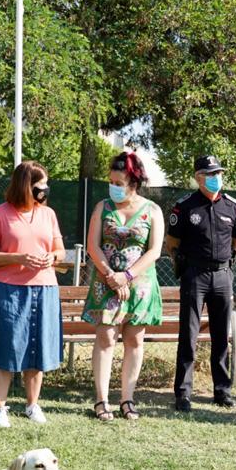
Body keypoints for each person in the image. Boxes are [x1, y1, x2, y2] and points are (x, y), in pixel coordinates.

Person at [0, 161, 66, 428]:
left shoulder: (48, 214)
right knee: (6, 347)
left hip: (45, 288)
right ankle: (0, 408)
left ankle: (32, 404)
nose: (45, 189)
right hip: (9, 290)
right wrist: (19, 258)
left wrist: (53, 257)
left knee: (38, 349)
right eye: (40, 185)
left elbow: (60, 250)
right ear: (26, 185)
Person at [82, 152, 164, 420]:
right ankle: (101, 400)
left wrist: (126, 276)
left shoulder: (152, 210)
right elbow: (93, 245)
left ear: (134, 182)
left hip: (139, 285)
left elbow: (154, 251)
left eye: (119, 182)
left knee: (134, 339)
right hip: (105, 282)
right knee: (106, 336)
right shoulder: (101, 207)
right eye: (111, 181)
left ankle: (127, 399)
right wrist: (110, 275)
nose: (113, 187)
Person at [166, 155, 236, 411]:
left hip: (222, 276)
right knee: (188, 335)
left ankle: (222, 391)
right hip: (194, 276)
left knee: (222, 336)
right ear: (198, 178)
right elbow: (172, 244)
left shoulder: (232, 206)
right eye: (210, 174)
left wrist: (226, 265)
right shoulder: (185, 207)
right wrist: (184, 266)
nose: (215, 178)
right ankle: (184, 393)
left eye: (218, 173)